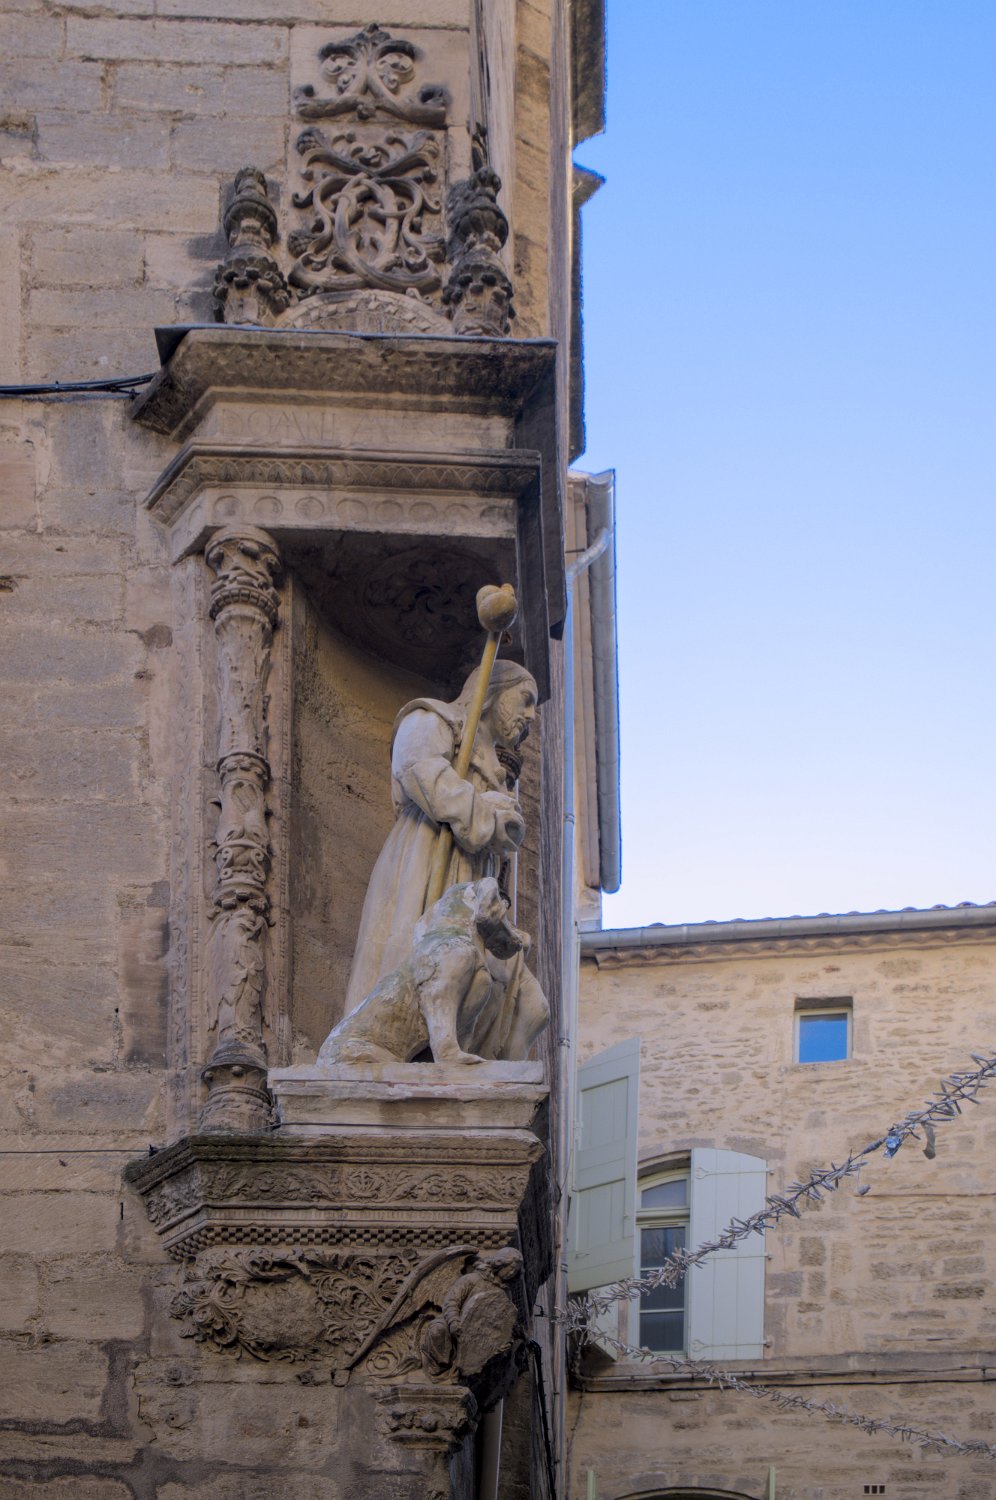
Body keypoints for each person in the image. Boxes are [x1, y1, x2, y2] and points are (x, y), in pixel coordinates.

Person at [342, 659, 538, 1017]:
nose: (531, 715)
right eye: (525, 699)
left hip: (472, 872)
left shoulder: (496, 765)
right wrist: (485, 813)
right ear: (494, 690)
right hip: (427, 852)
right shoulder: (435, 718)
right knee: (409, 959)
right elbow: (416, 766)